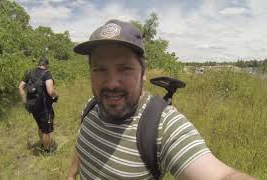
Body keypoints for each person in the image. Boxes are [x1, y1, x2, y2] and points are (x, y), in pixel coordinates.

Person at [67, 19, 255, 179]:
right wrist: (71, 174)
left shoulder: (162, 127)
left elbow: (220, 175)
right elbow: (83, 144)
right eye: (100, 69)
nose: (112, 83)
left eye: (124, 68)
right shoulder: (90, 107)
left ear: (143, 73)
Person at [18, 58, 58, 156]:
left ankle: (43, 144)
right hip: (44, 107)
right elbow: (50, 91)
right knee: (46, 130)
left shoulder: (29, 73)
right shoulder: (47, 73)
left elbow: (20, 87)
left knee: (40, 126)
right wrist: (56, 95)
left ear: (38, 64)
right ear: (47, 65)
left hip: (32, 105)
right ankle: (47, 151)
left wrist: (25, 102)